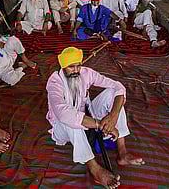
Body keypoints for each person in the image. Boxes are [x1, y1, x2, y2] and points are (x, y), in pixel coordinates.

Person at [46, 47, 145, 188]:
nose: (76, 70)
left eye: (78, 65)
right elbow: (64, 113)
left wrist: (113, 116)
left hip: (88, 115)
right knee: (72, 120)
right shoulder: (54, 82)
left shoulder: (86, 73)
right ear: (63, 67)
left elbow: (118, 87)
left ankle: (122, 152)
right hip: (63, 127)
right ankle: (95, 169)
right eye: (71, 67)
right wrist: (100, 124)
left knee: (114, 94)